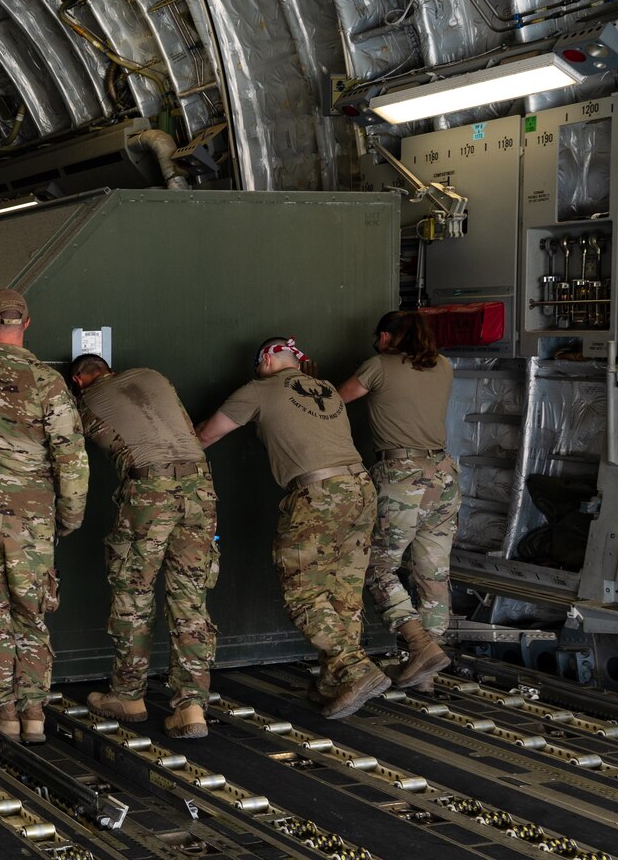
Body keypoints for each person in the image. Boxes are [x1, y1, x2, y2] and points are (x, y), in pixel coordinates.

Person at [196, 336, 390, 719]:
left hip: (317, 492)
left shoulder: (258, 389)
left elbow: (205, 435)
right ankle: (336, 681)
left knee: (302, 593)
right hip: (361, 489)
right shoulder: (327, 391)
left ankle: (356, 668)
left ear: (267, 360)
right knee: (343, 592)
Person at [0, 289, 88, 744]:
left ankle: (3, 712)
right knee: (31, 614)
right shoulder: (48, 382)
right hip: (32, 519)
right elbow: (71, 457)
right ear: (28, 324)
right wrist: (69, 516)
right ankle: (34, 715)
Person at [70, 355, 217, 739]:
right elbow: (188, 429)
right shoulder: (153, 374)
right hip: (200, 489)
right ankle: (192, 707)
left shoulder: (85, 402)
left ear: (78, 380)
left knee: (133, 595)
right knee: (190, 600)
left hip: (149, 490)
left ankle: (128, 695)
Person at [339, 310, 457, 692]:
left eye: (379, 337)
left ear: (387, 338)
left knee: (377, 567)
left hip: (402, 477)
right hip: (445, 474)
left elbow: (335, 402)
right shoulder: (443, 366)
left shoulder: (378, 366)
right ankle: (427, 668)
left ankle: (420, 647)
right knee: (432, 572)